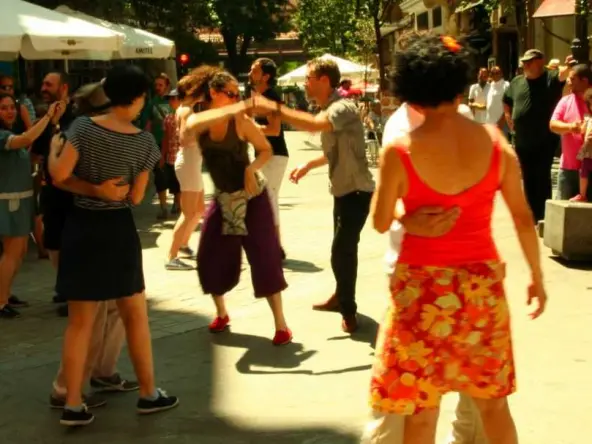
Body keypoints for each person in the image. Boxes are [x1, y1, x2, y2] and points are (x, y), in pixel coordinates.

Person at [368, 34, 547, 444]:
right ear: (459, 83)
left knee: (421, 411)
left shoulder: (399, 151)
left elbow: (379, 221)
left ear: (409, 89)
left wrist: (408, 218)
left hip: (420, 292)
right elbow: (523, 218)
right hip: (480, 289)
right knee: (493, 406)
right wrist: (537, 276)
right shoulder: (496, 144)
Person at [49, 65, 178, 427]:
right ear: (137, 98)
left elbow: (60, 176)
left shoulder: (82, 128)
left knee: (80, 323)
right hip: (118, 231)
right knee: (134, 314)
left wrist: (87, 182)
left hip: (82, 226)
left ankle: (73, 403)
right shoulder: (144, 142)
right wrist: (110, 193)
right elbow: (135, 197)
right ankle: (148, 394)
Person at [363, 102, 488, 444]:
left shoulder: (464, 118)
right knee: (403, 382)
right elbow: (386, 195)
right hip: (411, 271)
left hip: (464, 269)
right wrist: (406, 217)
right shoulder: (398, 127)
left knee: (474, 373)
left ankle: (469, 436)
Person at [252, 57, 375, 334]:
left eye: (308, 78)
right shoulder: (329, 108)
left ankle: (348, 309)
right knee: (343, 250)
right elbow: (334, 149)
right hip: (342, 191)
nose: (304, 84)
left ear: (324, 80)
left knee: (341, 252)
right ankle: (341, 295)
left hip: (357, 193)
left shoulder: (342, 108)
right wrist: (309, 164)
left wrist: (275, 109)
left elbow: (315, 125)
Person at [48, 81, 140, 410]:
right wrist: (100, 191)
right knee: (90, 316)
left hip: (87, 233)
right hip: (79, 233)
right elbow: (60, 180)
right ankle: (67, 390)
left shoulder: (78, 134)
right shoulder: (82, 136)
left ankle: (101, 371)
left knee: (109, 309)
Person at [186, 66, 291, 345]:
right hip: (224, 199)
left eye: (237, 94)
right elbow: (186, 127)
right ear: (213, 93)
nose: (236, 99)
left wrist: (251, 168)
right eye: (230, 94)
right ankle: (222, 313)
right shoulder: (199, 120)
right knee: (209, 257)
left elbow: (266, 149)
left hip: (253, 197)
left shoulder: (241, 121)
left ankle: (281, 325)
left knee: (265, 258)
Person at [0, 94, 58, 318]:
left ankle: (5, 293)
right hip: (10, 201)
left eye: (11, 107)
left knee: (19, 251)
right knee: (12, 252)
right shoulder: (3, 135)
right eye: (3, 108)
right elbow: (25, 140)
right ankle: (1, 301)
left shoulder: (10, 133)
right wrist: (47, 117)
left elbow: (25, 145)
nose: (9, 111)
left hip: (21, 199)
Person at [503, 49, 572, 222]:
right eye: (524, 62)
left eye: (529, 61)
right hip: (522, 140)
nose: (525, 64)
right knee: (528, 178)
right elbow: (507, 100)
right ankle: (533, 215)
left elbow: (564, 74)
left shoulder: (550, 78)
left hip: (544, 140)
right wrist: (508, 116)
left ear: (540, 61)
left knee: (541, 177)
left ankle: (543, 215)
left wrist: (571, 63)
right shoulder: (517, 81)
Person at [31, 72, 76, 316]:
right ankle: (65, 285)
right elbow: (37, 150)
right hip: (52, 190)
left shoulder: (77, 116)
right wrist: (50, 122)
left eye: (49, 84)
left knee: (73, 243)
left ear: (63, 88)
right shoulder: (46, 117)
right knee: (53, 243)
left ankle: (73, 293)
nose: (43, 88)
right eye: (43, 83)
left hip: (74, 191)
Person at [166, 73, 209, 271]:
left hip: (191, 164)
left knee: (198, 210)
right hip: (189, 164)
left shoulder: (185, 109)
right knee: (189, 212)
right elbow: (184, 139)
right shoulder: (186, 111)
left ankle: (182, 245)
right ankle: (171, 256)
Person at [249, 58, 290, 259]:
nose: (250, 73)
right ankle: (272, 246)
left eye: (255, 70)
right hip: (265, 156)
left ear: (265, 76)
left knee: (268, 200)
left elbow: (274, 130)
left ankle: (275, 248)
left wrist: (251, 128)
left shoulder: (271, 97)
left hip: (274, 155)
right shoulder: (259, 96)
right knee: (263, 200)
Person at [549, 64, 592, 200]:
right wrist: (571, 127)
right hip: (568, 168)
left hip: (590, 168)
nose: (568, 82)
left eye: (572, 79)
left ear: (584, 81)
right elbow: (553, 124)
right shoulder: (565, 101)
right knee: (562, 209)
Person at [570, 87, 592, 202]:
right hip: (588, 151)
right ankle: (582, 194)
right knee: (583, 171)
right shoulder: (588, 119)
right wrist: (579, 127)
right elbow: (582, 130)